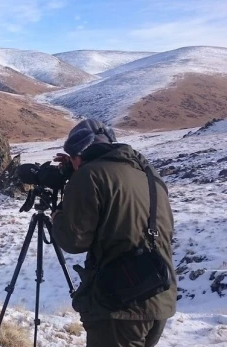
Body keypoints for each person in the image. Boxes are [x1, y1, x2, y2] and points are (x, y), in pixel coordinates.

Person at [51, 119, 177, 347]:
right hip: (158, 296)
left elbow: (74, 240)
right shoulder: (148, 175)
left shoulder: (89, 175)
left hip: (120, 304)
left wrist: (57, 215)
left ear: (78, 156)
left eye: (73, 159)